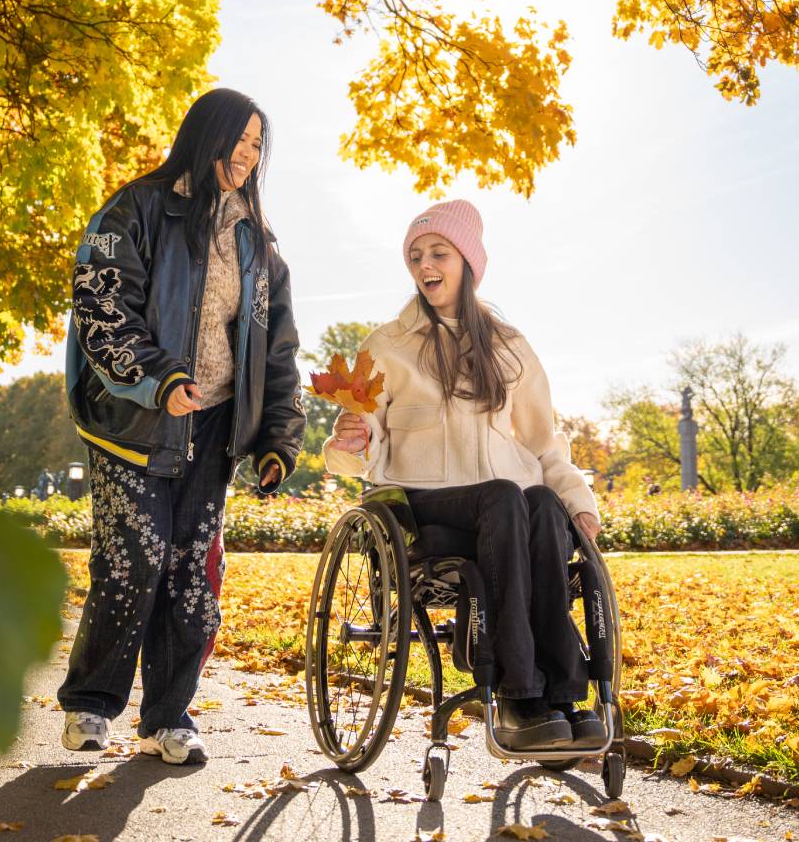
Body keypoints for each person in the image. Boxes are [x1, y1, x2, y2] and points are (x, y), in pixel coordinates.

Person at [56, 88, 305, 764]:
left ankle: (170, 715)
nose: (250, 156)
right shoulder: (134, 208)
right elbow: (103, 307)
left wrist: (277, 439)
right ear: (207, 136)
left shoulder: (258, 245)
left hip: (214, 426)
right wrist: (159, 378)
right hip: (131, 421)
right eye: (241, 140)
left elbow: (277, 350)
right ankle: (90, 703)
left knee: (191, 572)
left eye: (260, 146)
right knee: (134, 560)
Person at [324, 200, 601, 750]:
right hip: (425, 510)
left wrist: (578, 499)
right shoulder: (386, 346)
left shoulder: (509, 346)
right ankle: (521, 696)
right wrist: (348, 441)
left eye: (437, 253)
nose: (424, 264)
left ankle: (565, 697)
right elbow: (358, 450)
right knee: (506, 496)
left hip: (508, 515)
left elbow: (543, 442)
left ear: (467, 261)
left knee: (542, 503)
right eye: (414, 255)